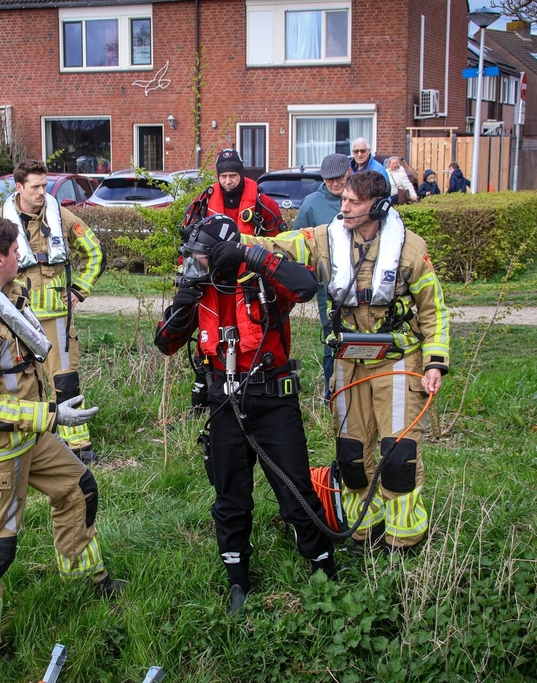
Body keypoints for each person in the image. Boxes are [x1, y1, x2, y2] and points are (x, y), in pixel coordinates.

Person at [0, 214, 124, 659]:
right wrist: (52, 415)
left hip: (29, 436)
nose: (23, 256)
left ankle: (83, 578)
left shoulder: (4, 293)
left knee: (79, 487)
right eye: (15, 251)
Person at [249, 171, 450, 553]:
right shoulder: (327, 238)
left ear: (378, 205)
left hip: (398, 361)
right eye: (343, 200)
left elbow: (434, 311)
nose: (344, 207)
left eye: (353, 202)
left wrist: (435, 362)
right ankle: (365, 532)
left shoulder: (410, 249)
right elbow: (282, 245)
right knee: (352, 456)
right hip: (348, 362)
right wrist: (237, 244)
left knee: (399, 457)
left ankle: (404, 541)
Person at [154, 214, 337, 615]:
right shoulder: (197, 288)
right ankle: (238, 579)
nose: (192, 264)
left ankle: (323, 566)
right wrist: (182, 306)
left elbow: (306, 286)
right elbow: (166, 343)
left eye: (200, 257)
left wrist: (252, 256)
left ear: (221, 253)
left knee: (295, 491)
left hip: (273, 400)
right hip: (223, 403)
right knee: (231, 499)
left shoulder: (258, 278)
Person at [0, 160, 104, 464]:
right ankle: (29, 440)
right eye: (36, 186)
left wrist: (80, 289)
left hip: (57, 317)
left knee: (66, 379)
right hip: (16, 317)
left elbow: (95, 252)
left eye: (45, 185)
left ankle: (78, 444)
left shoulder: (63, 216)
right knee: (20, 380)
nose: (43, 191)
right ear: (19, 187)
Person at [182, 149, 287, 414]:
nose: (228, 181)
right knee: (209, 332)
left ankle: (257, 386)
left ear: (241, 174)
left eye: (233, 175)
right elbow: (186, 238)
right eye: (223, 176)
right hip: (212, 280)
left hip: (251, 280)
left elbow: (281, 244)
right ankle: (205, 392)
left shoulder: (263, 204)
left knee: (257, 333)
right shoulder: (203, 202)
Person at [295, 152, 353, 399]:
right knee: (333, 338)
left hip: (362, 281)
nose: (335, 184)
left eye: (339, 178)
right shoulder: (311, 204)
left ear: (349, 172)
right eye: (329, 180)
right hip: (328, 286)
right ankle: (333, 395)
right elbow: (297, 243)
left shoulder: (363, 197)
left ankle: (358, 389)